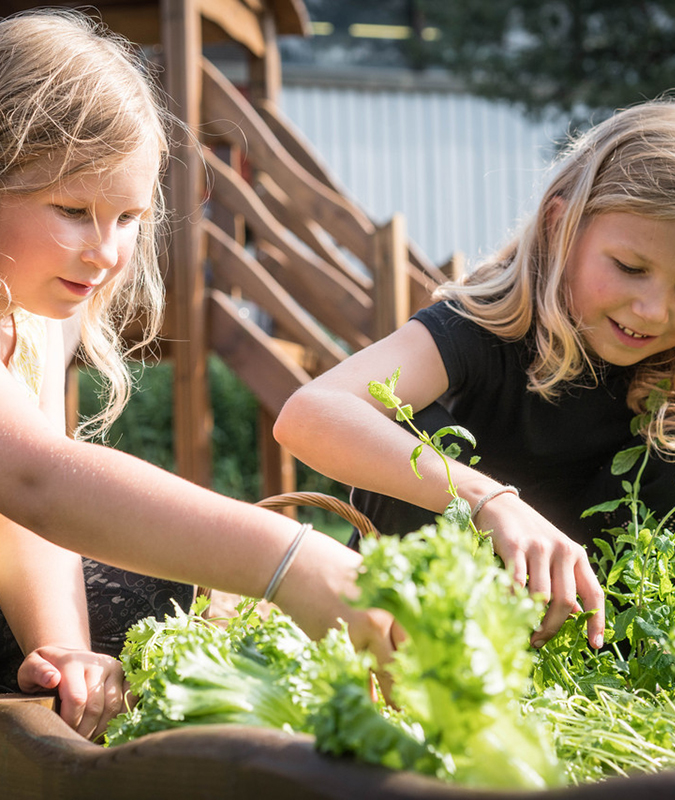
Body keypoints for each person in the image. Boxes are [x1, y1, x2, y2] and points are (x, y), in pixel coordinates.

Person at [275, 97, 675, 654]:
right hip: (447, 632)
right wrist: (489, 502)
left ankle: (650, 670)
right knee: (406, 425)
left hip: (602, 653)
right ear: (560, 226)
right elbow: (310, 414)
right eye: (629, 268)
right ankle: (400, 654)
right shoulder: (485, 329)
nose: (653, 309)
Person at [0, 9, 395, 740]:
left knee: (165, 602)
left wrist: (64, 649)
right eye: (73, 211)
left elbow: (20, 520)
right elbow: (38, 480)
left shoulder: (34, 310)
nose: (107, 252)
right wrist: (291, 560)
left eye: (127, 218)